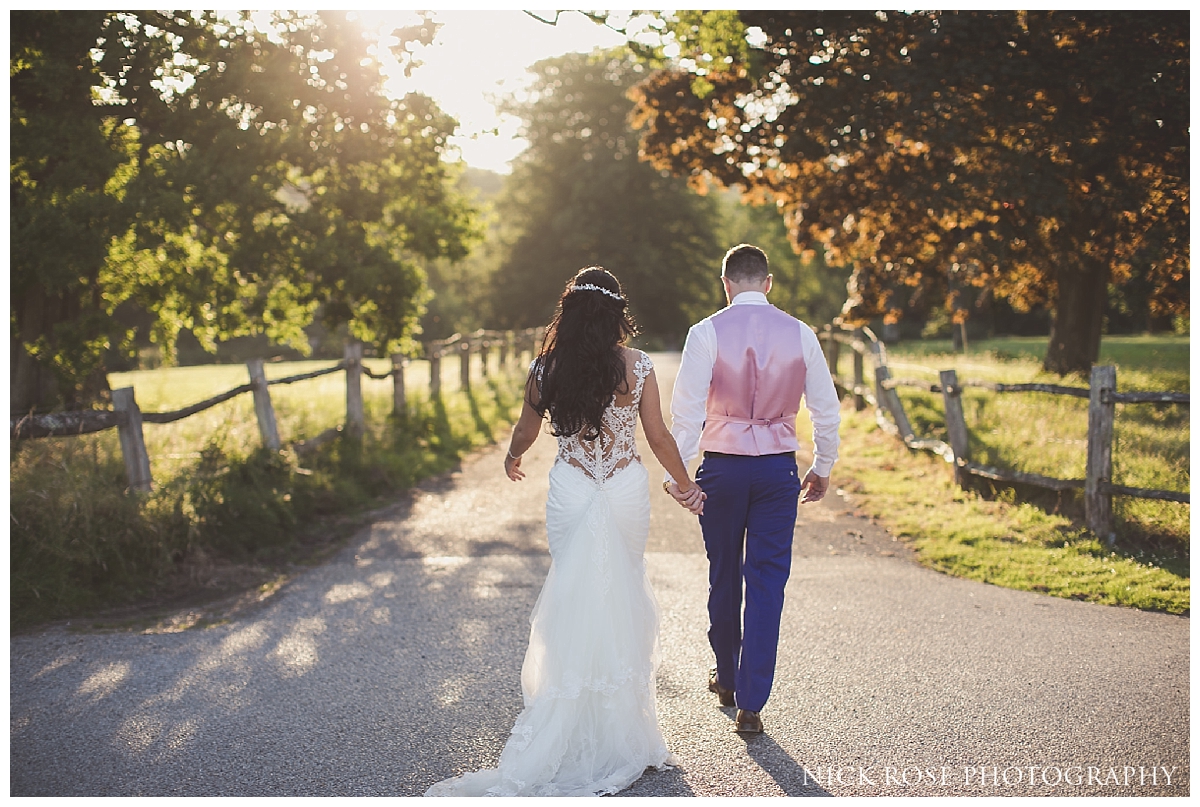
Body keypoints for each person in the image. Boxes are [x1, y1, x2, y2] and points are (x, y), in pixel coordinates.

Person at [425, 267, 705, 797]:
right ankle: (624, 734)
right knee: (621, 588)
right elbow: (658, 436)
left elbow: (527, 429)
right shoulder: (638, 367)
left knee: (574, 590)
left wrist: (511, 457)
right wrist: (685, 483)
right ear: (616, 313)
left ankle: (573, 714)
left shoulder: (545, 368)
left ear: (569, 312)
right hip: (622, 488)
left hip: (572, 488)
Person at [665, 243, 841, 735]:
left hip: (722, 468)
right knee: (766, 580)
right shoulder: (801, 333)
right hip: (777, 473)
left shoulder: (705, 332)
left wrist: (680, 474)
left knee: (724, 571)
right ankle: (751, 699)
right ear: (768, 282)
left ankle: (725, 676)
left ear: (725, 284)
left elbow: (687, 413)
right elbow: (826, 409)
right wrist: (822, 465)